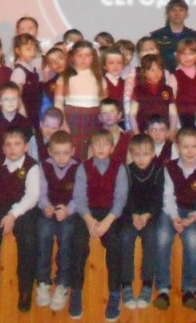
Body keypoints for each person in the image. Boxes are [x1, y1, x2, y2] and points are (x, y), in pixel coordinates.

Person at [0, 127, 40, 311]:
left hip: (24, 209)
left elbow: (32, 196)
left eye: (17, 144)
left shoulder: (32, 166)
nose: (12, 148)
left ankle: (25, 290)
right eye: (8, 145)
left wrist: (13, 215)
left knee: (28, 239)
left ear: (26, 147)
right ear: (3, 147)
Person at [72, 129, 128, 321]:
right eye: (97, 144)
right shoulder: (84, 167)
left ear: (112, 148)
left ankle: (114, 295)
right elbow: (79, 198)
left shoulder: (119, 168)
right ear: (91, 148)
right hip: (87, 213)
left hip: (110, 214)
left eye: (105, 144)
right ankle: (75, 293)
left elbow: (120, 199)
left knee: (115, 245)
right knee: (78, 243)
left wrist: (107, 222)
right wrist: (89, 221)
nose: (101, 148)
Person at [155, 127, 196, 311]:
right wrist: (175, 217)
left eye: (194, 146)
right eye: (185, 147)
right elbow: (167, 197)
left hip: (193, 212)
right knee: (162, 237)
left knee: (192, 241)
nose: (190, 151)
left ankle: (189, 289)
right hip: (172, 210)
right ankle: (163, 289)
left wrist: (195, 217)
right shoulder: (170, 168)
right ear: (178, 148)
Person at [118, 132, 163, 310]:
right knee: (125, 237)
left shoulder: (158, 172)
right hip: (130, 215)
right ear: (131, 154)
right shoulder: (126, 171)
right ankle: (126, 284)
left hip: (149, 216)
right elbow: (123, 196)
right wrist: (134, 215)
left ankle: (147, 283)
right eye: (137, 154)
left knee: (151, 238)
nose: (141, 158)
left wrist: (146, 215)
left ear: (153, 154)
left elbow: (158, 198)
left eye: (145, 154)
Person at [36, 130, 79, 312]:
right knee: (44, 233)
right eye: (57, 153)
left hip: (69, 211)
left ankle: (62, 283)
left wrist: (68, 210)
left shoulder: (78, 167)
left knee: (67, 235)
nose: (61, 157)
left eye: (66, 153)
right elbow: (40, 192)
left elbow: (80, 195)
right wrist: (46, 206)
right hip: (48, 210)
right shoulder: (43, 166)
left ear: (73, 151)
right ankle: (43, 282)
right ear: (49, 152)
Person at [54, 41, 105, 155]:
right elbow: (58, 103)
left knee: (91, 151)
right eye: (79, 55)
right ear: (72, 57)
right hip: (72, 118)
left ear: (93, 57)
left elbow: (104, 103)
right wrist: (63, 123)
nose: (83, 59)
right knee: (74, 150)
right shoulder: (65, 77)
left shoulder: (99, 78)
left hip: (94, 118)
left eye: (87, 55)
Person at [150, 0, 196, 72]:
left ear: (186, 14)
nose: (177, 13)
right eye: (173, 10)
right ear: (168, 13)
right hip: (163, 76)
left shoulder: (195, 36)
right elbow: (150, 61)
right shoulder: (157, 36)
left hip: (189, 76)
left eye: (181, 10)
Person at [131, 53, 178, 134]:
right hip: (144, 131)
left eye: (159, 69)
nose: (156, 73)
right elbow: (132, 114)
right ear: (144, 72)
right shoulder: (138, 90)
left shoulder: (167, 89)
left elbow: (173, 114)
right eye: (152, 70)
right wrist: (136, 132)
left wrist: (171, 131)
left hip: (163, 131)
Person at [171, 39, 196, 130]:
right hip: (183, 117)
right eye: (183, 54)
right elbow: (171, 102)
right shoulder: (174, 76)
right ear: (178, 56)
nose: (187, 57)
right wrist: (176, 123)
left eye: (191, 54)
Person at [0, 81, 32, 159]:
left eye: (14, 99)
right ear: (0, 101)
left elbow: (27, 145)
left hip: (19, 159)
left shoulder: (25, 122)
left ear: (19, 100)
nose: (10, 102)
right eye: (6, 99)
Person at [11, 33, 43, 124]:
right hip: (25, 115)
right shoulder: (19, 71)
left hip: (34, 113)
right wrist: (24, 116)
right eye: (28, 49)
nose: (32, 53)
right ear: (18, 50)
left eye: (34, 49)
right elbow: (16, 96)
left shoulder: (31, 69)